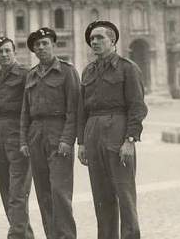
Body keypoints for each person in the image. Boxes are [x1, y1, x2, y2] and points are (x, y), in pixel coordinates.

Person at [77, 20, 148, 239]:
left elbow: (137, 106)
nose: (94, 42)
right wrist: (81, 142)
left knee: (124, 194)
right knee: (101, 195)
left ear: (113, 41)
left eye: (100, 38)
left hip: (117, 132)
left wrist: (130, 140)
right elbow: (82, 109)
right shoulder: (88, 71)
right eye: (92, 39)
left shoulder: (127, 68)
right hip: (93, 133)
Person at [20, 27, 80, 239]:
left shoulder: (67, 71)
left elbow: (74, 109)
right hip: (36, 136)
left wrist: (67, 139)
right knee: (43, 193)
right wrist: (23, 140)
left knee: (60, 193)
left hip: (58, 133)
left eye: (45, 43)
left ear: (53, 45)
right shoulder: (31, 75)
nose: (41, 48)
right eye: (37, 45)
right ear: (33, 50)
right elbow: (25, 112)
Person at [0, 37, 34, 239]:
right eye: (0, 52)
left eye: (7, 51)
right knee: (6, 192)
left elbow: (29, 108)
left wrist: (24, 139)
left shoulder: (25, 75)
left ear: (15, 52)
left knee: (18, 193)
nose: (4, 55)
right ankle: (24, 236)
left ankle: (16, 236)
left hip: (18, 135)